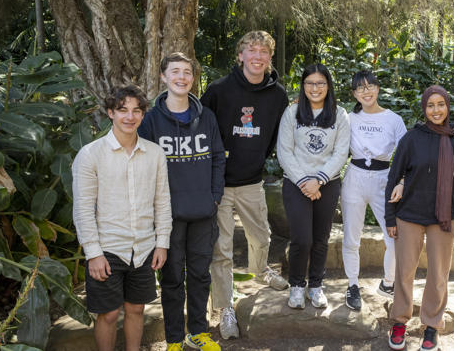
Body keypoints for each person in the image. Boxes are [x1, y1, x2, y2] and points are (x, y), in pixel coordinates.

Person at [201, 30, 289, 339]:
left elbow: (278, 135)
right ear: (240, 56)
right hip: (219, 183)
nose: (258, 56)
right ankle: (226, 308)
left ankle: (261, 270)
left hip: (252, 180)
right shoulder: (218, 90)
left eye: (264, 51)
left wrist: (257, 160)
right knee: (221, 248)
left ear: (269, 58)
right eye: (252, 50)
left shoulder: (278, 94)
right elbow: (202, 131)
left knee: (261, 235)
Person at [72, 85, 172, 351]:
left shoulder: (155, 154)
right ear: (110, 113)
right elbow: (82, 209)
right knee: (108, 314)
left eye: (136, 111)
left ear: (142, 115)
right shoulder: (90, 155)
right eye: (122, 110)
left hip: (143, 248)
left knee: (136, 309)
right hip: (107, 248)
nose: (130, 117)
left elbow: (162, 202)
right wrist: (93, 253)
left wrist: (162, 243)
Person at [137, 52, 225, 351]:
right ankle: (174, 338)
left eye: (187, 72)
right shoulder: (150, 121)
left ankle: (198, 333)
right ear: (163, 76)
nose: (182, 77)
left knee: (200, 276)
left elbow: (217, 159)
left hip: (203, 211)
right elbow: (143, 166)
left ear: (193, 78)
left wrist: (215, 197)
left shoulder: (207, 117)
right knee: (172, 278)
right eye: (175, 71)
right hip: (168, 216)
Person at [385, 85, 454, 351]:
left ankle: (431, 326)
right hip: (409, 215)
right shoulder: (411, 138)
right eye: (431, 105)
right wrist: (390, 218)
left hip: (443, 218)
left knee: (438, 275)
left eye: (441, 104)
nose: (436, 110)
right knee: (404, 272)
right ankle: (399, 321)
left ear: (447, 106)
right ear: (424, 108)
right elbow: (394, 176)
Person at [277, 63, 350, 309]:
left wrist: (318, 180)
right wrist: (304, 181)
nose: (315, 88)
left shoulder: (340, 115)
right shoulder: (292, 113)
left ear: (328, 86)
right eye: (310, 83)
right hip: (295, 183)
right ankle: (297, 285)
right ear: (303, 86)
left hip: (326, 184)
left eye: (320, 83)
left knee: (321, 238)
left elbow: (341, 153)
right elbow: (284, 151)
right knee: (301, 238)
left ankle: (316, 285)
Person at [340, 70, 407, 311]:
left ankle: (388, 283)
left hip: (384, 179)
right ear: (354, 93)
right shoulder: (348, 118)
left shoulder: (393, 120)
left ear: (378, 88)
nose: (365, 91)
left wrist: (401, 181)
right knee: (351, 236)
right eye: (360, 88)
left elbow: (405, 155)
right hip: (354, 178)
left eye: (370, 86)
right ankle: (353, 284)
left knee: (394, 236)